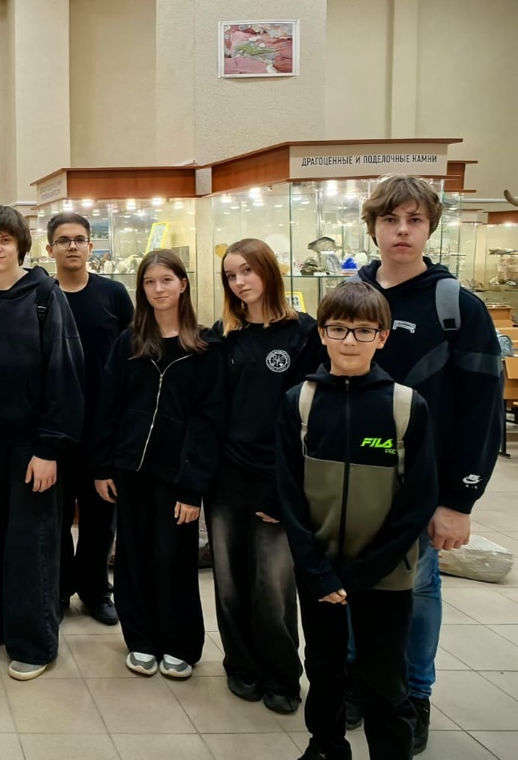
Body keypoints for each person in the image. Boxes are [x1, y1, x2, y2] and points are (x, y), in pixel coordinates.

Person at [352, 175, 504, 752]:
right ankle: (354, 682)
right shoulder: (352, 297)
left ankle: (413, 695)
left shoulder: (457, 307)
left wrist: (458, 501)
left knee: (416, 591)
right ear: (373, 227)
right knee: (348, 585)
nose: (402, 231)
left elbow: (482, 411)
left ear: (430, 228)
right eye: (391, 220)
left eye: (414, 220)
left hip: (420, 487)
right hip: (350, 482)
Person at [276, 281, 437, 760]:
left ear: (382, 337)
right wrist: (317, 569)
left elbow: (418, 500)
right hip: (319, 570)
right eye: (338, 329)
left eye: (364, 331)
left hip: (384, 575)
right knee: (324, 668)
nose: (350, 341)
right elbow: (288, 492)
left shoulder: (406, 406)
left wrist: (363, 573)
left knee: (385, 678)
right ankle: (325, 747)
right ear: (322, 334)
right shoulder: (299, 402)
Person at [0, 204, 84, 682]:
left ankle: (34, 641)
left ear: (20, 245)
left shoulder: (46, 296)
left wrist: (50, 448)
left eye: (5, 240)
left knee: (32, 546)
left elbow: (65, 373)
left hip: (32, 446)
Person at [92, 249, 224, 682]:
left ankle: (180, 644)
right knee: (133, 557)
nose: (158, 289)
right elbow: (108, 407)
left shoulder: (205, 348)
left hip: (177, 474)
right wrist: (103, 466)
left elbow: (208, 422)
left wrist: (193, 487)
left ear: (183, 284)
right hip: (130, 470)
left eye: (166, 280)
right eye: (149, 282)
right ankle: (141, 640)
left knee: (174, 559)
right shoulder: (129, 343)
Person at [209, 238, 326, 714]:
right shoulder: (225, 335)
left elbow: (311, 419)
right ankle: (241, 665)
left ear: (268, 271)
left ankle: (281, 676)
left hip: (277, 477)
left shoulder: (304, 334)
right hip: (227, 477)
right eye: (231, 275)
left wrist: (289, 487)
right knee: (230, 581)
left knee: (273, 586)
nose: (240, 282)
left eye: (247, 271)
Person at [44, 212, 132, 625]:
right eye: (64, 240)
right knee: (57, 516)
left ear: (91, 247)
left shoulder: (113, 294)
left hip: (103, 425)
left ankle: (96, 590)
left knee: (100, 516)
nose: (73, 246)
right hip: (57, 425)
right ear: (50, 249)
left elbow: (134, 350)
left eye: (79, 239)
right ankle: (60, 589)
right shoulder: (42, 295)